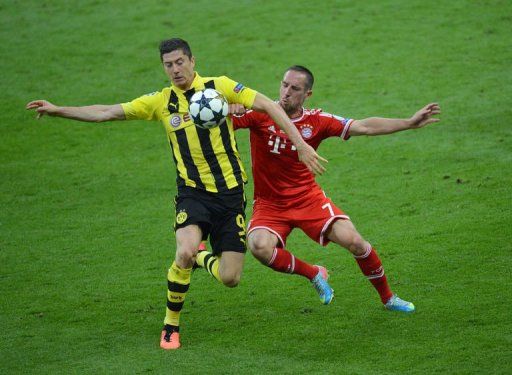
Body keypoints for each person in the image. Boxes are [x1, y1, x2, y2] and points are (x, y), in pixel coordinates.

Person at [26, 40, 327, 350]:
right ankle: (171, 325)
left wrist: (301, 145)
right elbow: (105, 112)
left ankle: (199, 256)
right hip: (192, 193)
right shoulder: (160, 102)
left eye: (180, 62)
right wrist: (57, 109)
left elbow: (268, 104)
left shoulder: (220, 86)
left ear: (192, 61)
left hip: (230, 196)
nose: (175, 69)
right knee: (182, 252)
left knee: (230, 278)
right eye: (168, 64)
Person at [220, 65, 440, 310]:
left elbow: (364, 126)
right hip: (269, 204)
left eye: (295, 88)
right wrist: (230, 108)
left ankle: (388, 298)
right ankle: (314, 273)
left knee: (355, 241)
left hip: (307, 199)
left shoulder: (317, 121)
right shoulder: (259, 113)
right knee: (259, 247)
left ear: (308, 94)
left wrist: (408, 123)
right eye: (284, 85)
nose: (286, 92)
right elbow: (214, 122)